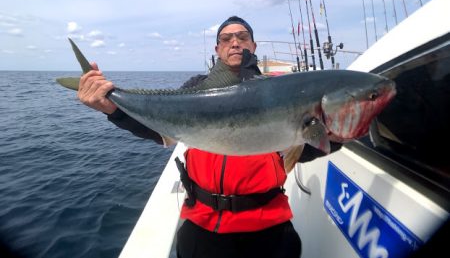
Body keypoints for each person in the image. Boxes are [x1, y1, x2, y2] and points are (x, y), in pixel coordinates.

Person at [77, 16, 340, 258]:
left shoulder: (281, 93)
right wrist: (113, 109)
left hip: (268, 225)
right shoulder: (197, 89)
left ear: (254, 45)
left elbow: (304, 146)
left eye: (242, 37)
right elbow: (162, 129)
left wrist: (337, 134)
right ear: (217, 50)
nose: (235, 43)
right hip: (202, 225)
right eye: (226, 39)